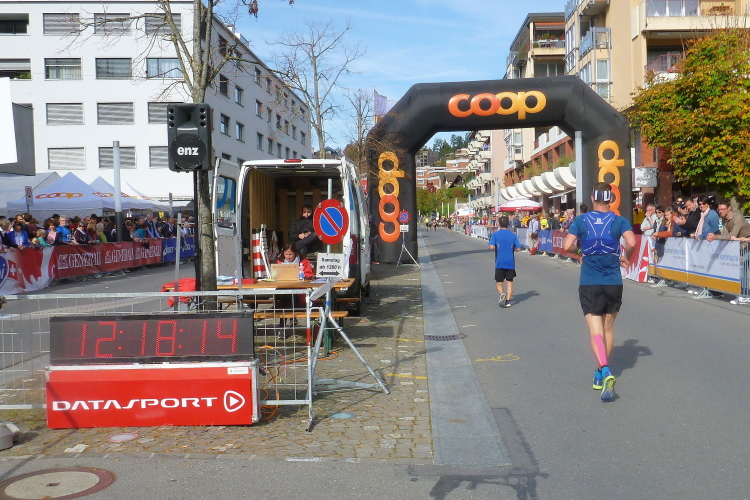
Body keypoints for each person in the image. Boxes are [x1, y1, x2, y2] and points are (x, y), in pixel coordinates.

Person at [563, 182, 636, 401]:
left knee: (595, 332)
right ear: (611, 199)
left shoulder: (581, 220)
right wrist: (626, 257)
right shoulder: (619, 220)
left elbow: (567, 246)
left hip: (590, 282)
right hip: (613, 282)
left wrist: (580, 252)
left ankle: (604, 369)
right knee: (608, 329)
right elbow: (632, 242)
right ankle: (599, 372)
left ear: (593, 198)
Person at [708, 200, 750, 305]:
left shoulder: (737, 218)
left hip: (747, 245)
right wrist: (714, 236)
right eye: (719, 209)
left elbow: (732, 236)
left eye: (723, 209)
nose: (720, 211)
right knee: (739, 268)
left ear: (729, 208)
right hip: (741, 246)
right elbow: (725, 235)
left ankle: (745, 295)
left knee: (741, 267)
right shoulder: (724, 219)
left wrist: (715, 237)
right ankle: (741, 293)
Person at [488, 216, 522, 308]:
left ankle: (502, 294)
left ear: (499, 224)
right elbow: (518, 248)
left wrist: (492, 246)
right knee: (509, 282)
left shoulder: (495, 235)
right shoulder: (513, 235)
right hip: (510, 262)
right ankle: (508, 301)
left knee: (499, 282)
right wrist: (513, 248)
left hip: (499, 262)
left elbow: (491, 247)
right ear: (508, 224)